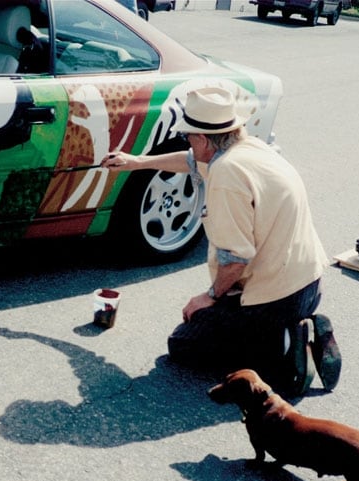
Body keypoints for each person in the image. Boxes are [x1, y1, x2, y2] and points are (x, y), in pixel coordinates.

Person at [100, 85, 341, 397]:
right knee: (211, 324)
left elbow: (236, 257)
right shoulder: (248, 149)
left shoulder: (227, 175)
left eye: (188, 135)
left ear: (202, 139)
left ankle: (285, 354)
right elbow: (189, 161)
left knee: (183, 345)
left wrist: (208, 296)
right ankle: (291, 328)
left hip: (275, 299)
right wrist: (136, 162)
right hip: (308, 284)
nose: (186, 141)